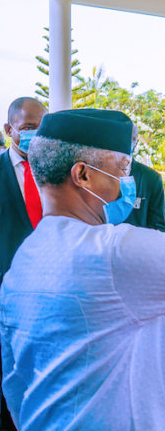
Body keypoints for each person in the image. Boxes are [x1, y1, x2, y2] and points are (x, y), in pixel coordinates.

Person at [0, 109, 165, 431]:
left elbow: (16, 383)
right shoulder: (115, 251)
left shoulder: (24, 259)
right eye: (122, 169)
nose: (126, 182)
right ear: (83, 174)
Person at [0, 96, 47, 431]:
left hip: (50, 299)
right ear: (9, 129)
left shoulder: (57, 175)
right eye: (28, 128)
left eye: (41, 128)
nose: (35, 135)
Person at [124, 123, 165, 231]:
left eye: (131, 139)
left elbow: (159, 227)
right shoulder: (97, 174)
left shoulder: (151, 178)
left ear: (136, 142)